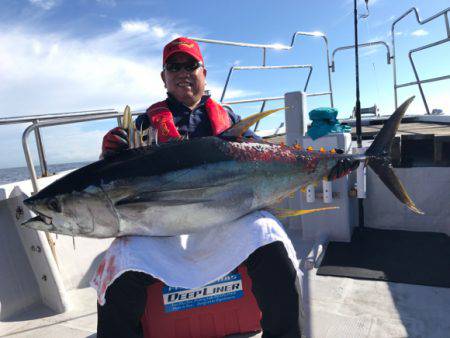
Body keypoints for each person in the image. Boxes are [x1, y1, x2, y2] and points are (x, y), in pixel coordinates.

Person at [95, 37, 305, 338]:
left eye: (190, 65)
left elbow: (265, 157)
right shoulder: (144, 124)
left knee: (272, 244)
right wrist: (109, 155)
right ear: (163, 77)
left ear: (204, 73)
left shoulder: (229, 118)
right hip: (164, 228)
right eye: (173, 66)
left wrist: (319, 163)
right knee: (117, 267)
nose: (182, 72)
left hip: (225, 218)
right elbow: (120, 180)